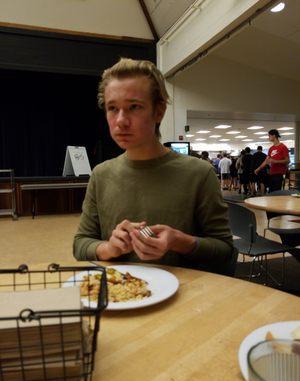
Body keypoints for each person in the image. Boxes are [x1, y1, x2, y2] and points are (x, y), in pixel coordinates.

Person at [73, 58, 233, 273]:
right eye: (112, 108)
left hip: (187, 298)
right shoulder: (101, 175)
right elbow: (81, 244)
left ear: (159, 111)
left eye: (134, 107)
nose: (120, 121)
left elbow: (225, 251)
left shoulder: (199, 174)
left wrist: (179, 241)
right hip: (120, 296)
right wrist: (107, 248)